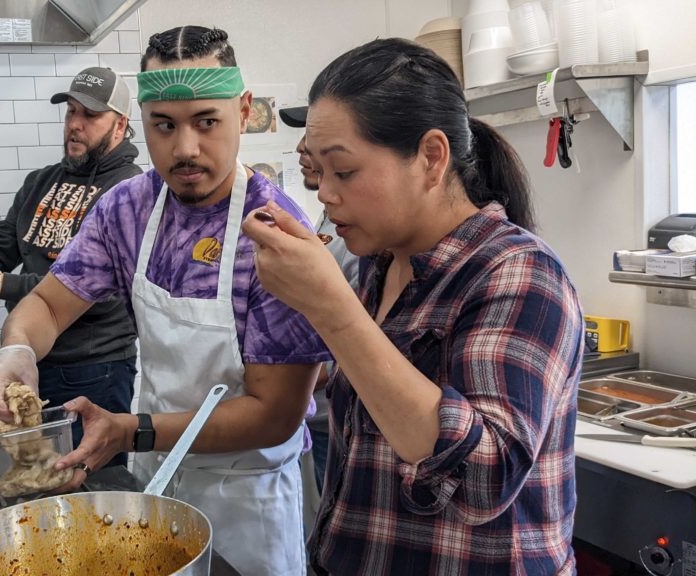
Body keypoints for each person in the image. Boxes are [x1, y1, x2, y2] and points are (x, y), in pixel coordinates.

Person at [0, 26, 332, 576]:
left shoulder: (275, 232)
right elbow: (48, 307)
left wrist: (131, 429)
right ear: (142, 121)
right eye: (164, 125)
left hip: (249, 499)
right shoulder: (128, 210)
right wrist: (16, 353)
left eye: (206, 122)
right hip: (159, 482)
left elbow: (275, 414)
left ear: (242, 111)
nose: (184, 148)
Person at [243, 38, 583, 575]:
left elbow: (484, 478)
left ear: (430, 157)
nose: (325, 194)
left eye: (344, 171)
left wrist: (332, 309)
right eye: (318, 172)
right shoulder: (383, 263)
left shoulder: (518, 272)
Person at [0, 67, 142, 466]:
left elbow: (103, 293)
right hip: (29, 357)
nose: (75, 124)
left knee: (89, 484)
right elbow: (2, 246)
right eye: (71, 112)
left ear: (120, 124)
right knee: (38, 483)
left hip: (95, 369)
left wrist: (1, 284)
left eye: (90, 115)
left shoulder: (128, 191)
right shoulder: (41, 181)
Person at [279, 105, 361, 494]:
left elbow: (352, 352)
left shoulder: (365, 242)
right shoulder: (332, 215)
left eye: (313, 141)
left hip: (338, 421)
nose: (299, 148)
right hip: (319, 419)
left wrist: (279, 383)